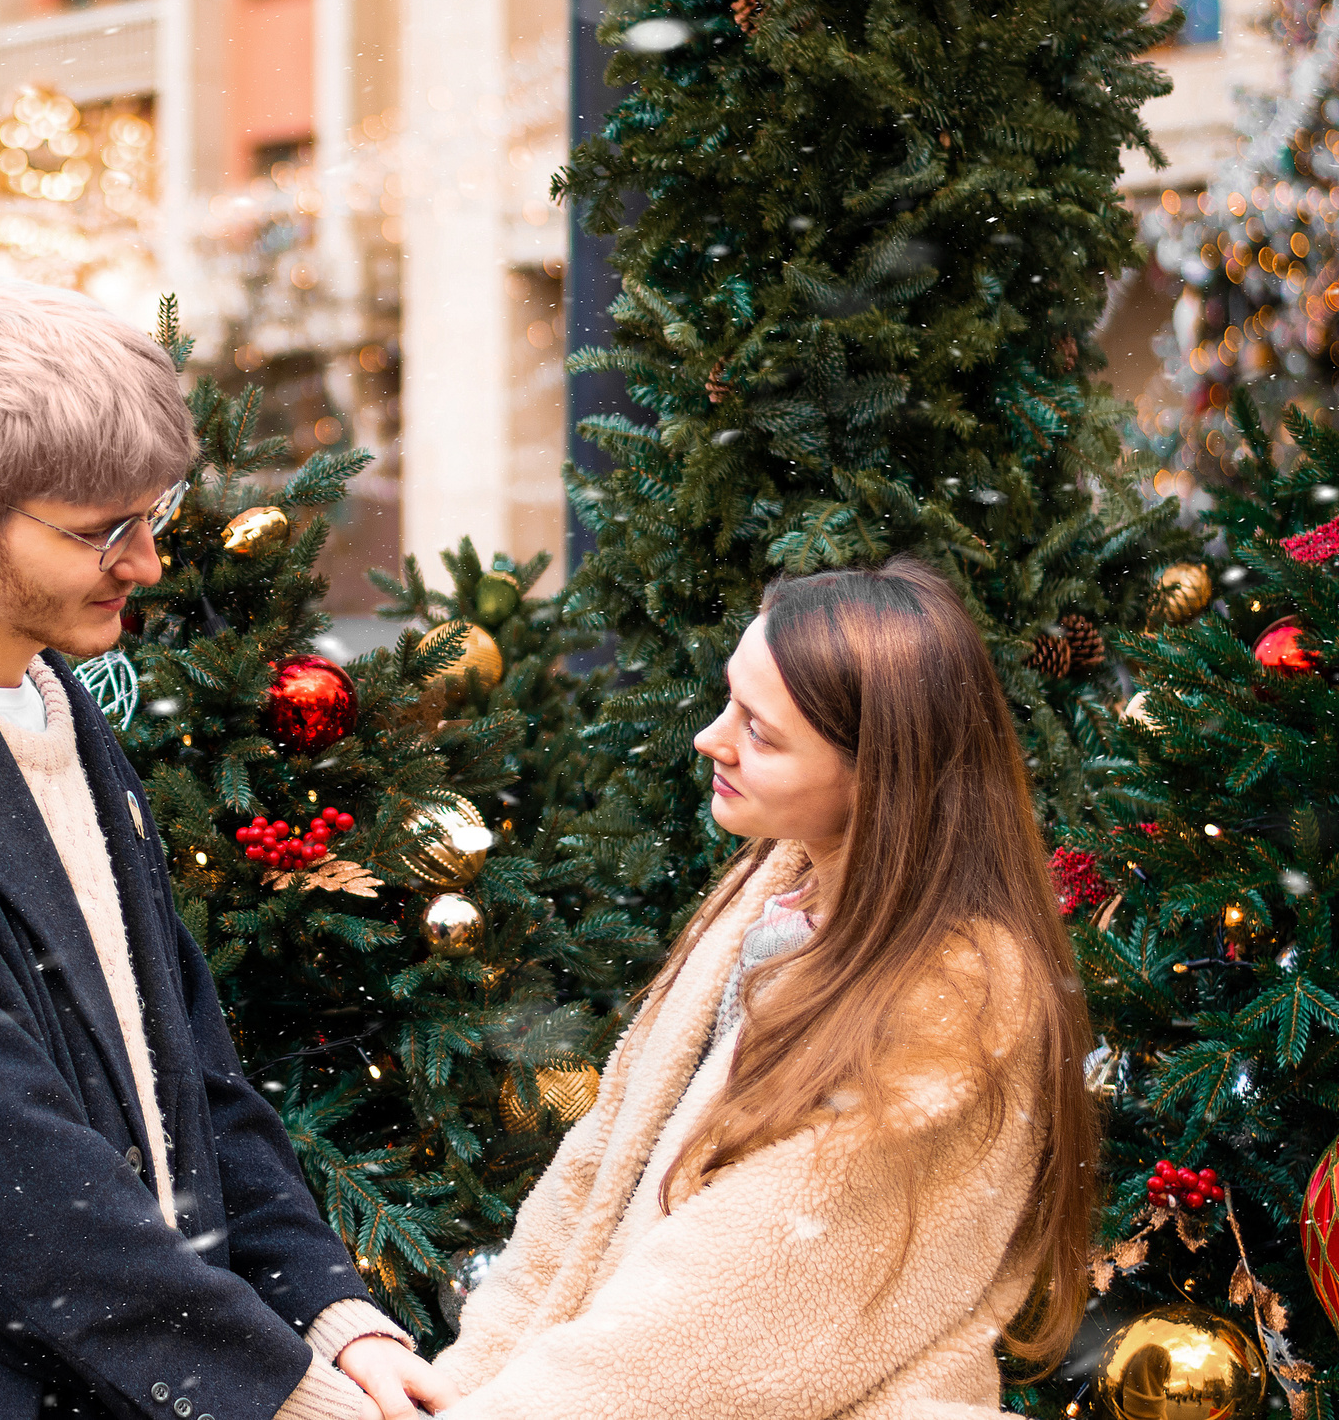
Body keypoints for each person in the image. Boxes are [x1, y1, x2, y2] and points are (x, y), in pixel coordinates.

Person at [0, 281, 445, 1420]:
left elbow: (185, 1068)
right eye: (100, 529)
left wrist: (329, 1314)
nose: (145, 561)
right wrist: (282, 1395)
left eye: (150, 515)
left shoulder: (53, 704)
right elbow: (5, 1193)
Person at [428, 557, 1099, 1419]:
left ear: (880, 773)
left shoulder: (955, 1003)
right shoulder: (775, 891)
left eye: (762, 732)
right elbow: (599, 1172)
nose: (711, 739)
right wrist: (467, 1379)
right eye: (729, 702)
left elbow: (729, 1312)